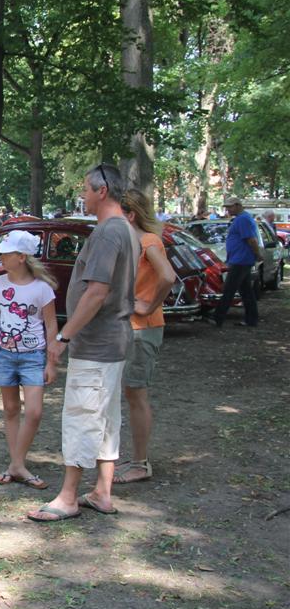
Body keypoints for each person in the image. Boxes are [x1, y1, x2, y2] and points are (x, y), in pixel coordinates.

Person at [28, 163, 136, 522]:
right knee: (105, 416)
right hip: (113, 343)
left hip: (97, 345)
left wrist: (62, 336)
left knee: (81, 416)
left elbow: (97, 293)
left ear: (102, 191)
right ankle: (102, 493)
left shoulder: (108, 233)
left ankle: (68, 497)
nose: (83, 196)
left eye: (86, 190)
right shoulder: (124, 229)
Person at [0, 229, 58, 490]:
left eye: (6, 253)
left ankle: (15, 465)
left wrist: (51, 362)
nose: (1, 258)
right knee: (11, 410)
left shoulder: (42, 289)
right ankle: (17, 464)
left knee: (34, 412)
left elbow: (51, 326)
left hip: (33, 357)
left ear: (22, 257)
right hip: (3, 355)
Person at [114, 189, 176, 485]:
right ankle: (136, 457)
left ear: (130, 214)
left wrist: (148, 305)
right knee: (130, 392)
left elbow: (168, 276)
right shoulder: (134, 242)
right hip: (132, 328)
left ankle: (140, 464)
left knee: (136, 394)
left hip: (143, 329)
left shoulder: (148, 241)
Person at [212, 197, 262, 327]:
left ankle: (217, 317)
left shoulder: (243, 219)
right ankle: (251, 319)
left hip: (241, 260)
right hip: (240, 259)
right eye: (227, 207)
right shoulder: (241, 218)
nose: (227, 209)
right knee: (246, 291)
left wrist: (257, 254)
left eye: (230, 207)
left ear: (238, 205)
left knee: (229, 289)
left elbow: (251, 240)